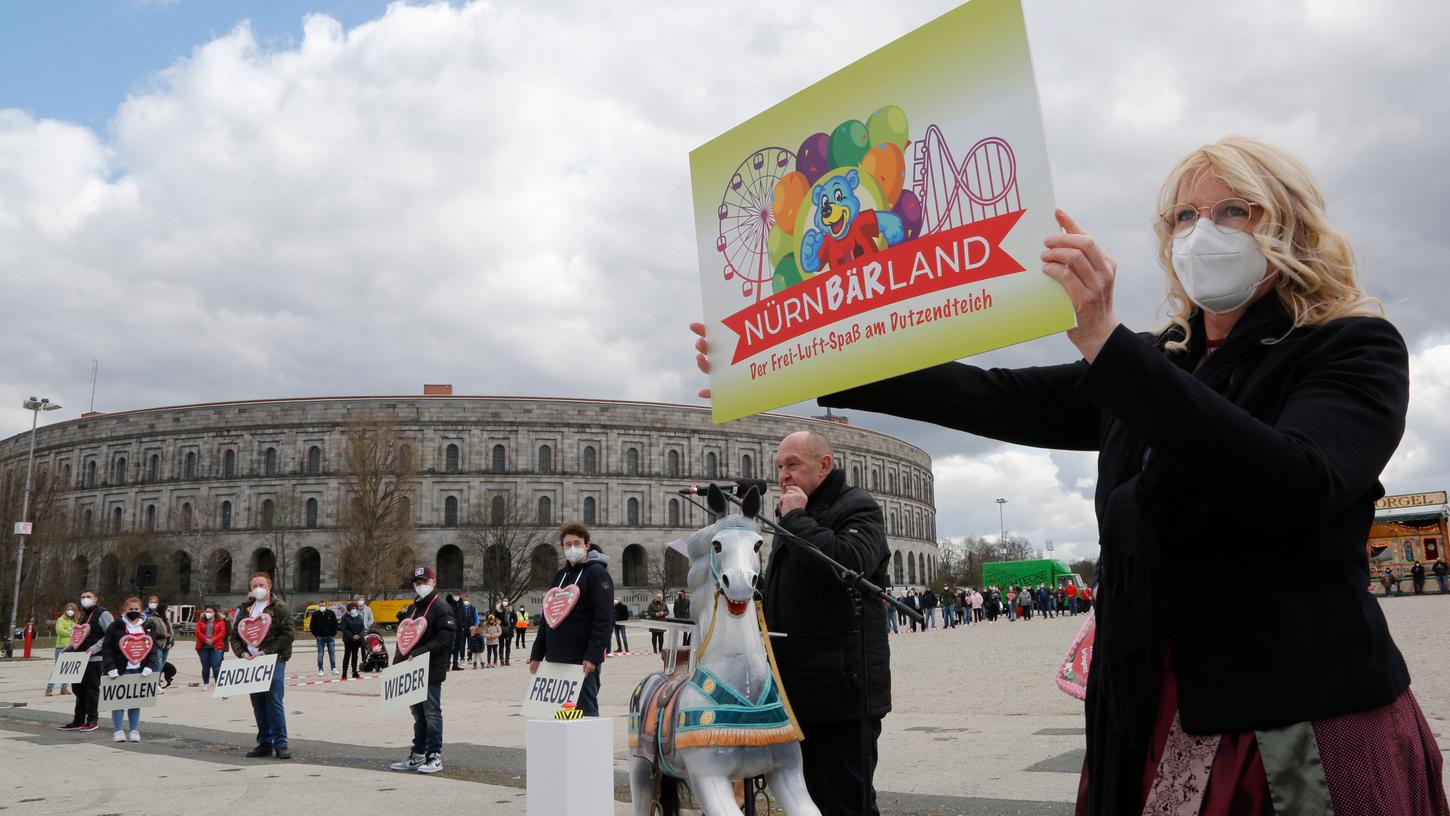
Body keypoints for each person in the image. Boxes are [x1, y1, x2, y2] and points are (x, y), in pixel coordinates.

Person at [788, 137, 1446, 813]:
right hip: (1143, 712)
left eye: (1232, 212)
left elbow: (1294, 481)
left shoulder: (1351, 346)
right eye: (1184, 217)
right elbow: (994, 394)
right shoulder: (1162, 360)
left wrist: (1107, 342)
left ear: (1289, 227)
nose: (1201, 232)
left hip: (1291, 726)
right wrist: (801, 357)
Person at [529, 523, 614, 718]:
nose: (572, 548)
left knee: (585, 713)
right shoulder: (560, 576)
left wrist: (593, 655)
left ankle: (590, 749)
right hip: (555, 657)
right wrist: (537, 653)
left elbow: (604, 618)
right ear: (562, 547)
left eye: (577, 543)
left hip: (581, 659)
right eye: (568, 544)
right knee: (558, 715)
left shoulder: (597, 574)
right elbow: (547, 617)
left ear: (587, 545)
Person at [388, 566, 456, 775]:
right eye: (417, 583)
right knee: (418, 714)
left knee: (432, 712)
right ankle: (418, 754)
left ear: (433, 582)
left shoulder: (442, 608)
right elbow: (404, 638)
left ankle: (434, 755)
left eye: (425, 582)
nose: (421, 586)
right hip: (412, 669)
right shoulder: (413, 608)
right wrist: (398, 663)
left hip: (431, 667)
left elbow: (446, 639)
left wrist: (420, 652)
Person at [228, 572, 294, 760]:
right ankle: (264, 742)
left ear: (269, 586)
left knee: (274, 701)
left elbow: (288, 634)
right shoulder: (246, 609)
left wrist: (266, 651)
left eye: (261, 585)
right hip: (251, 663)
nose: (258, 588)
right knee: (258, 703)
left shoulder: (279, 607)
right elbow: (234, 635)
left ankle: (281, 744)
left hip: (273, 660)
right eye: (254, 585)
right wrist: (242, 653)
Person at [102, 596, 164, 742]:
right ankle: (118, 730)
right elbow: (107, 648)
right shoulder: (115, 626)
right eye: (131, 609)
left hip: (139, 670)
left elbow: (152, 647)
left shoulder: (147, 625)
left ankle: (134, 729)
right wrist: (110, 667)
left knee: (135, 702)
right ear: (124, 610)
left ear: (141, 610)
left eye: (136, 609)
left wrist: (150, 665)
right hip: (120, 670)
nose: (134, 611)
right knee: (118, 702)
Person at [59, 589, 113, 732]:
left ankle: (92, 720)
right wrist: (68, 648)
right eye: (83, 597)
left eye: (89, 597)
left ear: (96, 599)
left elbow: (110, 634)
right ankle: (78, 720)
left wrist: (95, 648)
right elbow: (79, 637)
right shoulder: (83, 615)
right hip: (79, 658)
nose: (85, 599)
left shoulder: (103, 614)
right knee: (78, 689)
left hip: (94, 658)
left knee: (91, 689)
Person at [46, 603, 78, 697]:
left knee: (68, 669)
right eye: (68, 609)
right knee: (58, 668)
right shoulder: (60, 620)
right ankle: (49, 688)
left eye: (72, 609)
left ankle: (64, 688)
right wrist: (71, 633)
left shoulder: (75, 621)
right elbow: (60, 631)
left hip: (71, 647)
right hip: (61, 647)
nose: (70, 611)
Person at [195, 605, 226, 687]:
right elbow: (198, 632)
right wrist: (205, 640)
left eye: (210, 612)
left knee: (216, 667)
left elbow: (222, 633)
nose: (208, 613)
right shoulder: (201, 621)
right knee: (205, 666)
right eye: (206, 611)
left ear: (214, 613)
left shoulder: (220, 621)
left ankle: (218, 683)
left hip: (216, 647)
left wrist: (213, 640)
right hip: (203, 647)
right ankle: (206, 683)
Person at [145, 596, 175, 677]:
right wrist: (162, 635)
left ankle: (158, 681)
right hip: (157, 644)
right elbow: (148, 632)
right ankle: (154, 681)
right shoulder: (152, 619)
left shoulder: (167, 619)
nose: (168, 611)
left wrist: (171, 642)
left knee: (162, 664)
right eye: (167, 610)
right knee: (157, 664)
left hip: (166, 645)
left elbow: (171, 632)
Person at [311, 600, 339, 674]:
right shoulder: (315, 614)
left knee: (332, 653)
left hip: (330, 637)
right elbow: (312, 626)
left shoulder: (331, 613)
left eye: (323, 605)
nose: (322, 607)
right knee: (320, 654)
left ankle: (333, 668)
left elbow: (335, 624)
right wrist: (316, 635)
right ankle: (320, 669)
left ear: (326, 606)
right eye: (320, 605)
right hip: (320, 638)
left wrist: (333, 634)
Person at [340, 601, 365, 679]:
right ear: (349, 609)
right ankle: (344, 674)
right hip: (348, 640)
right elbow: (344, 629)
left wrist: (359, 635)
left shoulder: (359, 616)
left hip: (357, 640)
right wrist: (352, 636)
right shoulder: (345, 617)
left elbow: (363, 627)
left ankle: (355, 672)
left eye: (355, 608)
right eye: (352, 608)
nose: (354, 610)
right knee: (347, 656)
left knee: (355, 656)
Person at [446, 591, 466, 671]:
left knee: (458, 647)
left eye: (458, 595)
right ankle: (447, 665)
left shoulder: (461, 604)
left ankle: (455, 664)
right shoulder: (448, 605)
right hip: (451, 629)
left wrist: (463, 626)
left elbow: (464, 616)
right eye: (455, 595)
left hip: (460, 629)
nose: (457, 596)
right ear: (452, 595)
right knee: (450, 647)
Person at [458, 593, 479, 668]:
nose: (466, 600)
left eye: (467, 599)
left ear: (469, 599)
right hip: (462, 629)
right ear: (463, 599)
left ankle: (469, 658)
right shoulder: (460, 608)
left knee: (470, 644)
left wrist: (476, 627)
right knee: (461, 645)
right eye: (465, 599)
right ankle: (462, 658)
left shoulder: (473, 608)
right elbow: (458, 618)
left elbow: (477, 618)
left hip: (471, 629)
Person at [494, 596, 514, 666]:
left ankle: (507, 660)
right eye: (504, 600)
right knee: (501, 645)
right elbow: (494, 617)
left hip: (509, 630)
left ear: (508, 602)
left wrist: (512, 626)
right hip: (500, 629)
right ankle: (501, 660)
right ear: (502, 601)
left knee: (508, 646)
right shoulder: (498, 609)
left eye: (506, 600)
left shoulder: (511, 609)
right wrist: (497, 622)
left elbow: (515, 619)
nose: (505, 602)